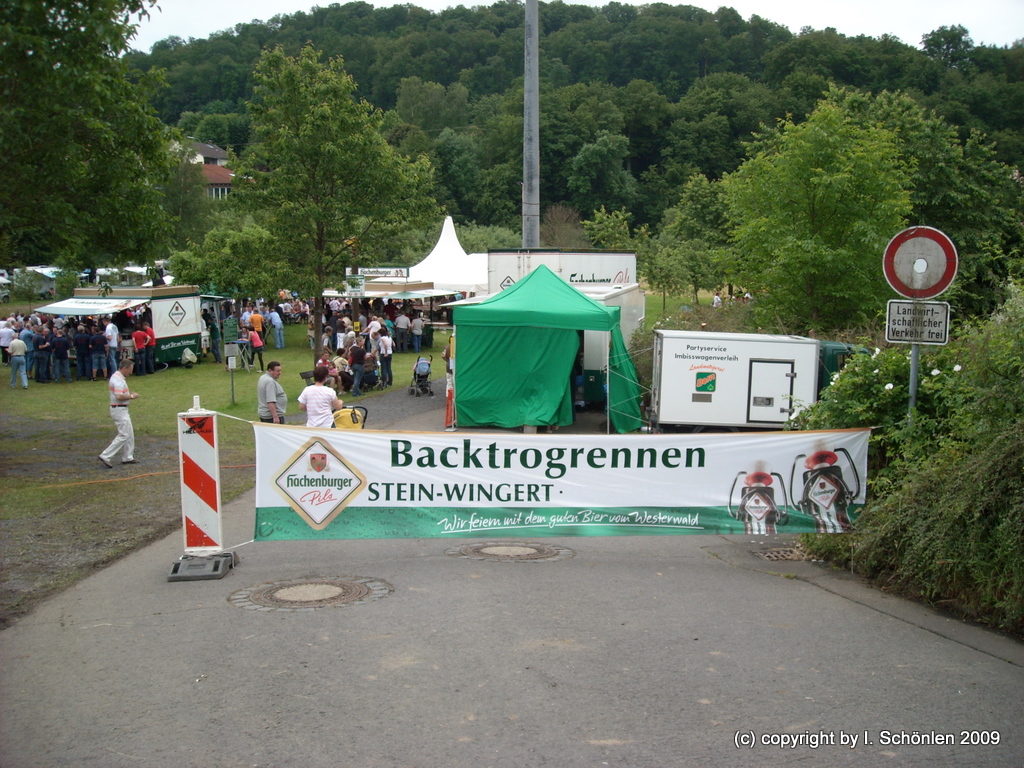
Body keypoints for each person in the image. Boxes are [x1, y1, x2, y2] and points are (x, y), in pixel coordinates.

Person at [98, 358, 139, 468]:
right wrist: (132, 396)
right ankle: (106, 455)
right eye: (130, 370)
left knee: (129, 433)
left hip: (120, 409)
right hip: (119, 409)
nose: (131, 372)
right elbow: (119, 396)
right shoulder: (119, 380)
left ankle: (128, 457)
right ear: (125, 368)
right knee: (124, 434)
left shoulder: (116, 376)